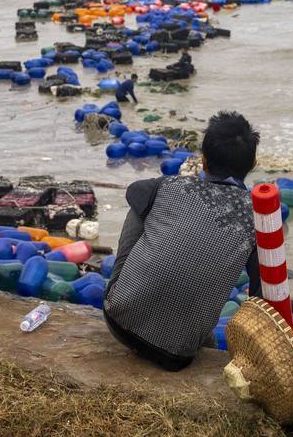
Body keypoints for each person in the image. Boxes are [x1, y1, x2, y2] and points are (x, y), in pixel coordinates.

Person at [104, 111, 262, 371]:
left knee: (142, 203)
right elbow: (261, 295)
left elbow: (134, 191)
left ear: (204, 160)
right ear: (253, 163)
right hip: (178, 354)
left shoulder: (169, 186)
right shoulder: (256, 218)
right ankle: (196, 336)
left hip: (118, 320)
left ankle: (123, 291)